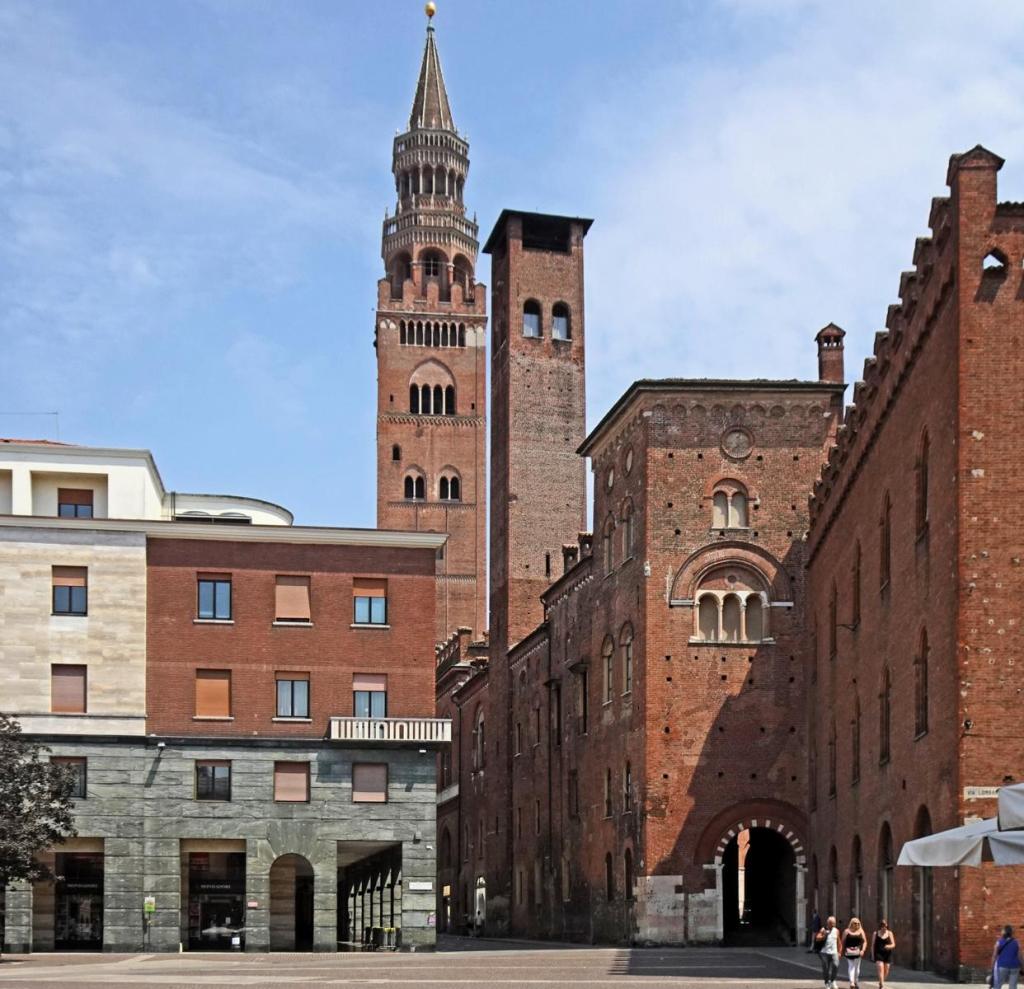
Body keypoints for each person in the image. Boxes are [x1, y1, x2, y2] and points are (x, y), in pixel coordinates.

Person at [992, 925, 1021, 989]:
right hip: (1015, 966)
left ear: (1004, 932)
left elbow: (994, 955)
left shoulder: (999, 942)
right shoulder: (1017, 942)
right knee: (1013, 986)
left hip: (1002, 965)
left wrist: (993, 965)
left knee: (998, 985)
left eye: (1002, 930)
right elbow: (1020, 956)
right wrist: (1022, 966)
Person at [842, 917, 866, 988]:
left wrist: (863, 950)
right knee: (851, 966)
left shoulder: (861, 931)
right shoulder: (847, 931)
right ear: (851, 924)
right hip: (849, 951)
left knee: (857, 968)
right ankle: (852, 982)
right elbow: (842, 942)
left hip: (858, 952)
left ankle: (856, 981)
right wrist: (842, 950)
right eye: (855, 923)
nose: (857, 925)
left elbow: (865, 942)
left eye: (858, 923)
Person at [872, 920, 896, 989]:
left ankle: (881, 981)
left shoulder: (890, 933)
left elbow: (893, 944)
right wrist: (873, 955)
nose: (884, 928)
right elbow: (873, 945)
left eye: (885, 926)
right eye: (882, 926)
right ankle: (882, 985)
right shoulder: (875, 933)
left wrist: (889, 946)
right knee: (880, 967)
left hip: (887, 954)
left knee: (886, 969)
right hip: (878, 953)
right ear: (880, 927)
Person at [819, 915, 841, 989]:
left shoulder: (836, 931)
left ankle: (833, 981)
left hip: (834, 952)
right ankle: (827, 982)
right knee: (826, 968)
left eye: (834, 923)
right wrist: (824, 935)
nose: (832, 925)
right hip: (824, 952)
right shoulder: (823, 929)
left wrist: (839, 952)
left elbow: (839, 942)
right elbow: (817, 938)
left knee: (836, 965)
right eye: (831, 923)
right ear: (827, 923)